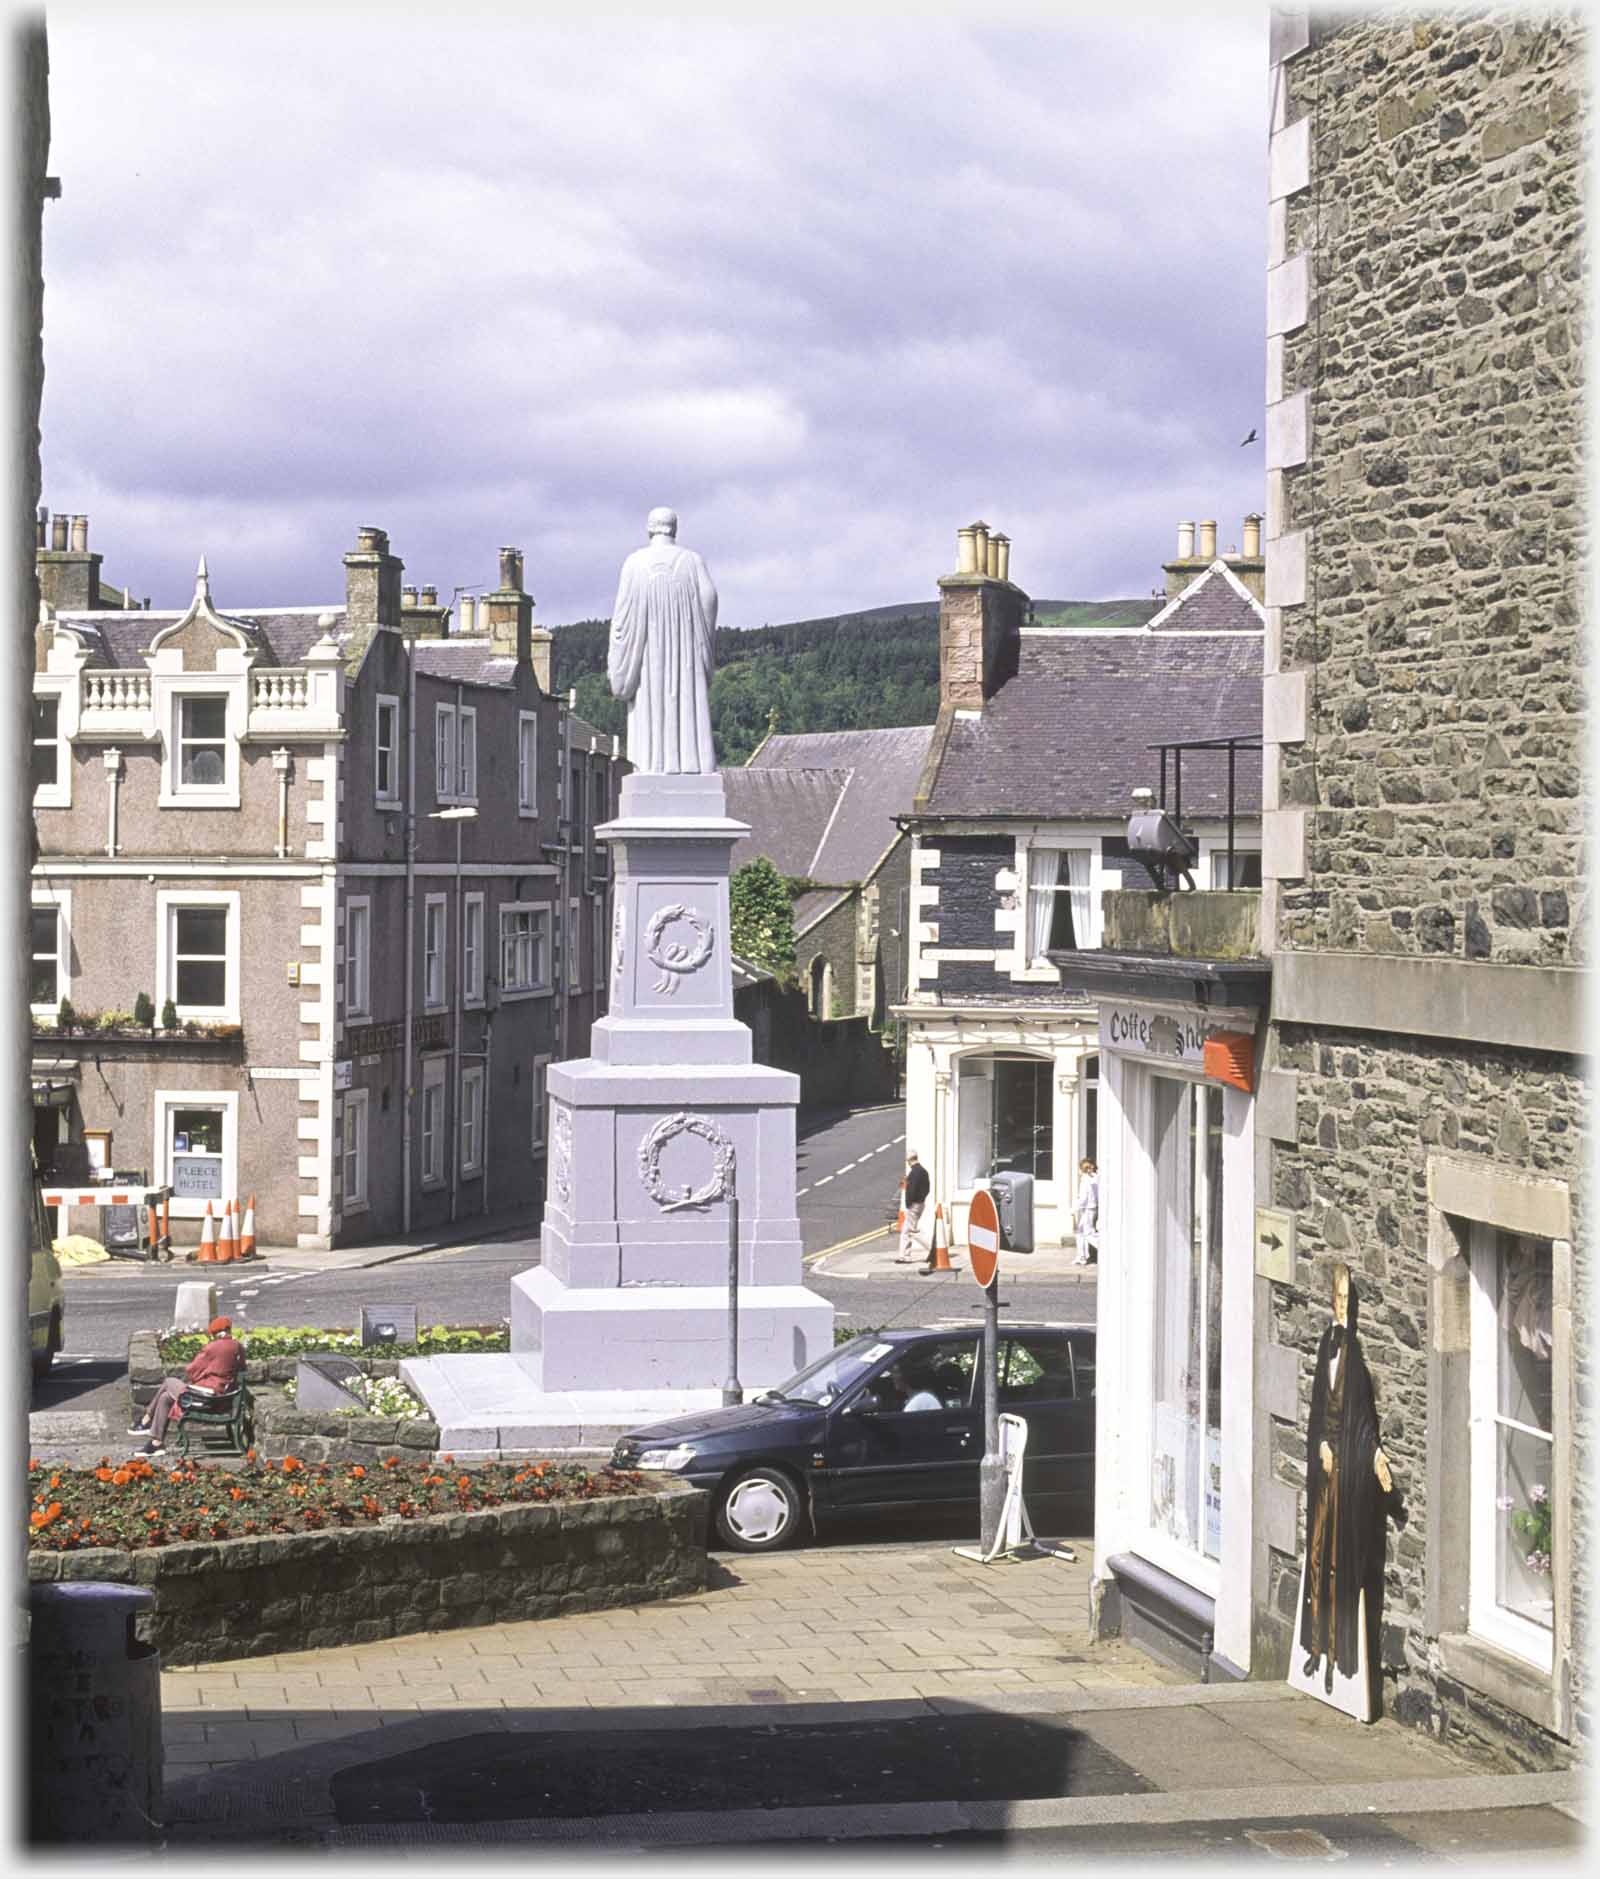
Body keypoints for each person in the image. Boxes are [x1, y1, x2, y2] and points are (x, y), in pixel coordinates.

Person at [1299, 1263, 1395, 1697]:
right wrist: (1320, 1441)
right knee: (1317, 1555)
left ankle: (1337, 1652)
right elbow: (1320, 1408)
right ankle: (1315, 1646)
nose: (1341, 1308)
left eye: (1346, 1301)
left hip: (1346, 1477)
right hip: (1323, 1473)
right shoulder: (1326, 1347)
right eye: (1336, 1300)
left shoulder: (1353, 1356)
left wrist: (1375, 1457)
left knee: (1340, 1560)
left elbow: (1363, 1420)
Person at [607, 507, 718, 775]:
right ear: (674, 529)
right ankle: (692, 763)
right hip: (685, 658)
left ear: (650, 529)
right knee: (685, 700)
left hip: (647, 657)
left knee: (649, 707)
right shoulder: (692, 561)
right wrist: (698, 637)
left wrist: (619, 655)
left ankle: (650, 763)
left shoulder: (634, 563)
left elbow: (621, 618)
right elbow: (710, 599)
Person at [129, 1315, 245, 1455]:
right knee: (166, 1397)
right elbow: (241, 1367)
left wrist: (202, 1374)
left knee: (168, 1382)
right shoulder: (238, 1347)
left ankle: (146, 1420)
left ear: (215, 1334)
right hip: (222, 1398)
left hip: (206, 1398)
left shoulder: (212, 1348)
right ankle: (156, 1443)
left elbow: (192, 1371)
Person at [893, 1150, 932, 1265]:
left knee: (910, 1231)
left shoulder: (914, 1173)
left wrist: (909, 1203)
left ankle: (932, 1250)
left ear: (909, 1160)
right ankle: (905, 1256)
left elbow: (912, 1190)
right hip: (920, 1203)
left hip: (914, 1204)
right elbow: (927, 1189)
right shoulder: (923, 1171)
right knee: (907, 1230)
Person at [1073, 1158, 1099, 1265]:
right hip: (1092, 1208)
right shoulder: (1095, 1178)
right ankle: (1081, 1257)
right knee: (1080, 1232)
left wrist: (1073, 1209)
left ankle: (1105, 1249)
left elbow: (1083, 1199)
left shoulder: (1085, 1180)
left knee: (1088, 1234)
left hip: (1088, 1210)